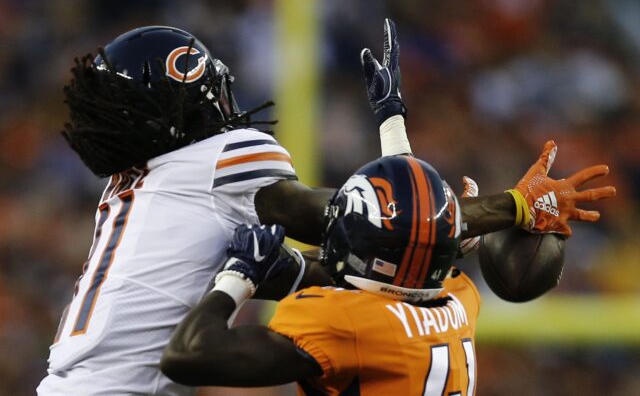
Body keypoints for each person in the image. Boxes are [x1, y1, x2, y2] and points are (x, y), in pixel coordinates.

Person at [38, 20, 614, 395]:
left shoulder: (134, 189)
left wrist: (242, 278)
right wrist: (515, 207)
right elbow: (373, 221)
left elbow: (349, 250)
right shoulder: (214, 163)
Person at [160, 145, 615, 395]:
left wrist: (237, 278)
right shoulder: (460, 295)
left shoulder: (346, 322)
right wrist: (391, 117)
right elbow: (415, 239)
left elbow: (189, 356)